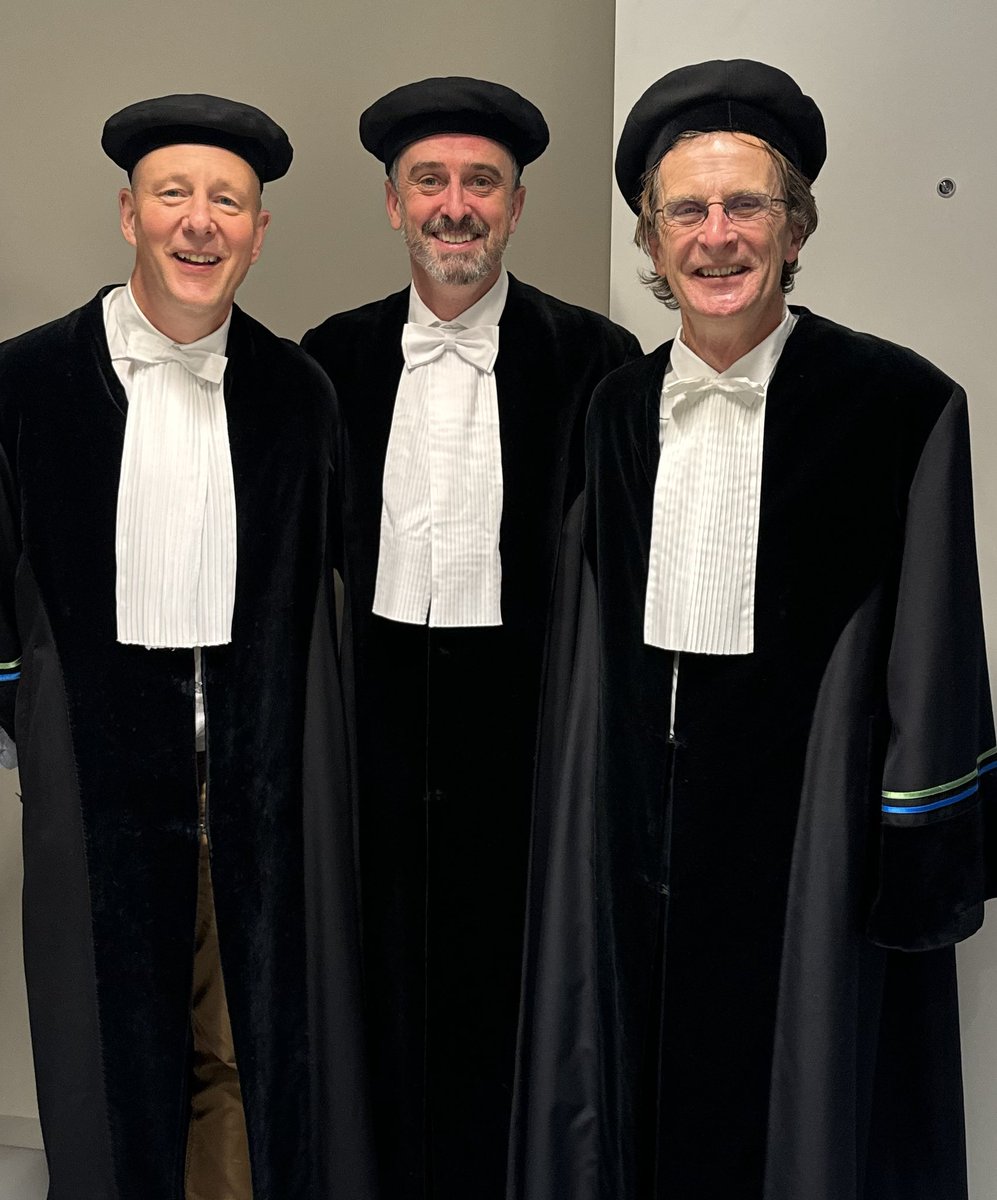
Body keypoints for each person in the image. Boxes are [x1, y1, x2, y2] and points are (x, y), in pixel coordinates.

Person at [512, 59, 997, 1200]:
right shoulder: (612, 408)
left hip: (806, 858)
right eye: (687, 209)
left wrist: (920, 867)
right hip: (634, 850)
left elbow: (934, 659)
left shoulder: (897, 404)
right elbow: (584, 656)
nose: (716, 237)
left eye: (745, 207)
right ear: (653, 233)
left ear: (792, 229)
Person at [0, 95, 370, 1200]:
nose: (199, 224)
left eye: (228, 202)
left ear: (259, 232)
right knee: (106, 1075)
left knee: (243, 1068)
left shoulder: (299, 396)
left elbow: (323, 597)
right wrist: (38, 732)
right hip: (98, 800)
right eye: (174, 196)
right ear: (128, 214)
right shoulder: (22, 386)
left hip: (254, 805)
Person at [302, 76, 640, 1200]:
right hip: (373, 748)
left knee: (519, 1016)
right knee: (372, 1014)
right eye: (430, 182)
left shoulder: (596, 364)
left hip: (527, 745)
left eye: (480, 183)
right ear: (394, 205)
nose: (456, 205)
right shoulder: (327, 362)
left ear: (517, 204)